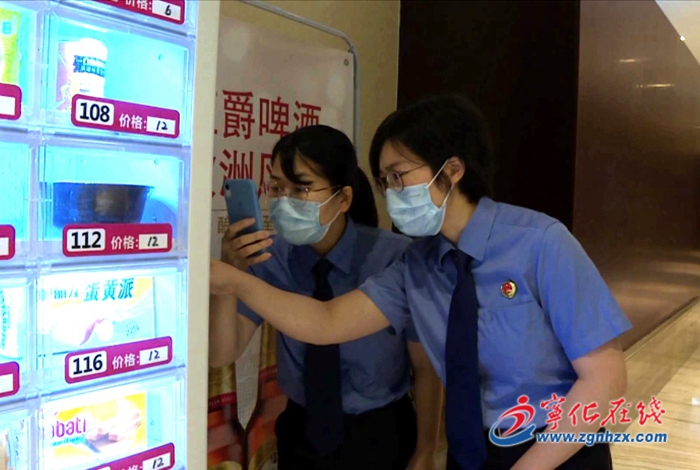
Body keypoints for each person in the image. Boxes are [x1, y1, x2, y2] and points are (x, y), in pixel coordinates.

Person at [211, 96, 633, 470]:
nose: (391, 193)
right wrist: (236, 282)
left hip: (557, 446)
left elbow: (605, 378)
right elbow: (327, 322)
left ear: (452, 169)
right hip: (470, 451)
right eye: (384, 182)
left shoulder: (540, 242)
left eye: (399, 176)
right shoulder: (417, 264)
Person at [209, 125, 443, 470]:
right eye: (277, 187)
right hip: (301, 431)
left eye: (301, 188)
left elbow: (425, 367)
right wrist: (230, 276)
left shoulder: (393, 258)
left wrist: (427, 449)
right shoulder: (269, 259)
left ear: (343, 198)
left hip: (379, 431)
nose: (284, 201)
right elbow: (221, 353)